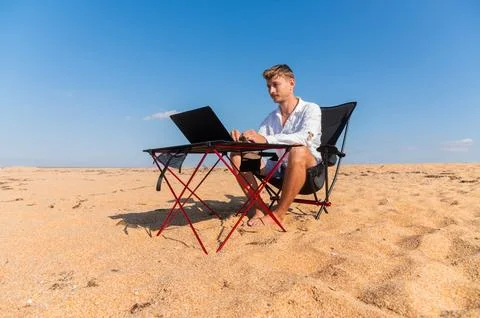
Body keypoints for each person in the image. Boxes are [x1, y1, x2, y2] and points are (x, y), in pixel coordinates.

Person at [230, 64, 321, 227]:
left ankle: (279, 214)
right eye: (268, 86)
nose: (271, 91)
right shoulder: (271, 118)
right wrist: (244, 140)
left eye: (275, 85)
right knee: (238, 155)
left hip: (310, 171)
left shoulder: (310, 109)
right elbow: (259, 143)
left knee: (297, 149)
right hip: (279, 169)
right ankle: (259, 207)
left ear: (291, 83)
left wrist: (265, 139)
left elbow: (305, 138)